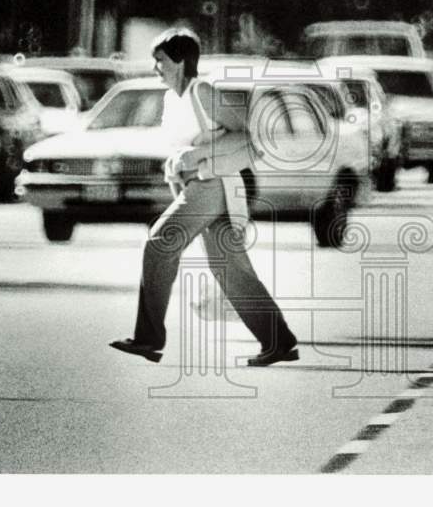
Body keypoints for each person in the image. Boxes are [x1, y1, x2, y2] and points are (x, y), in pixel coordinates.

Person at [109, 29, 299, 367]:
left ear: (181, 62)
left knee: (159, 244)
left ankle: (148, 337)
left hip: (213, 184)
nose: (156, 68)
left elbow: (245, 134)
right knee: (230, 268)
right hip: (197, 185)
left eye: (161, 61)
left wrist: (195, 156)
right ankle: (278, 341)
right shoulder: (173, 99)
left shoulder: (202, 91)